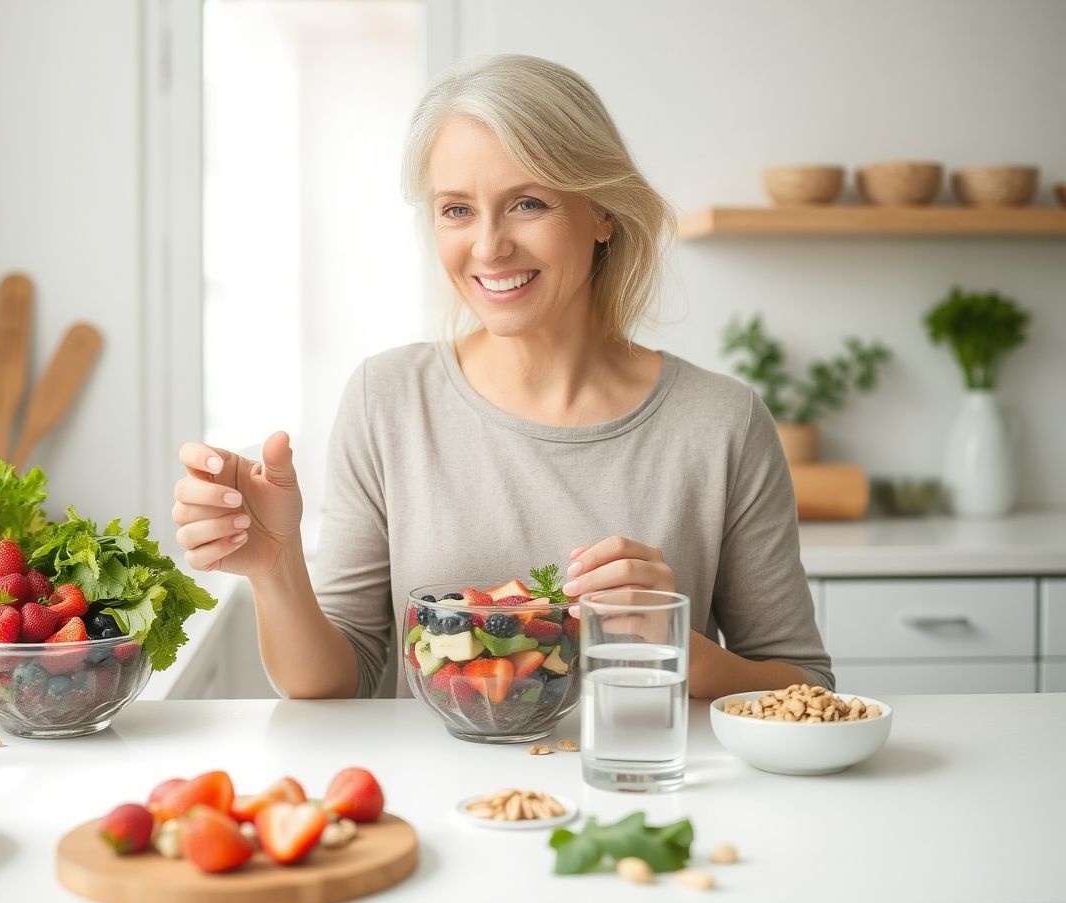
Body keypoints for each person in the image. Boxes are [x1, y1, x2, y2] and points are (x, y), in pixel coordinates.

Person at [172, 53, 833, 701]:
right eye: (457, 209)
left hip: (636, 773)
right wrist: (276, 567)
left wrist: (677, 646)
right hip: (431, 778)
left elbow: (806, 685)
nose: (488, 247)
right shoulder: (386, 400)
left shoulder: (723, 423)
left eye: (527, 203)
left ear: (603, 213)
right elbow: (339, 679)